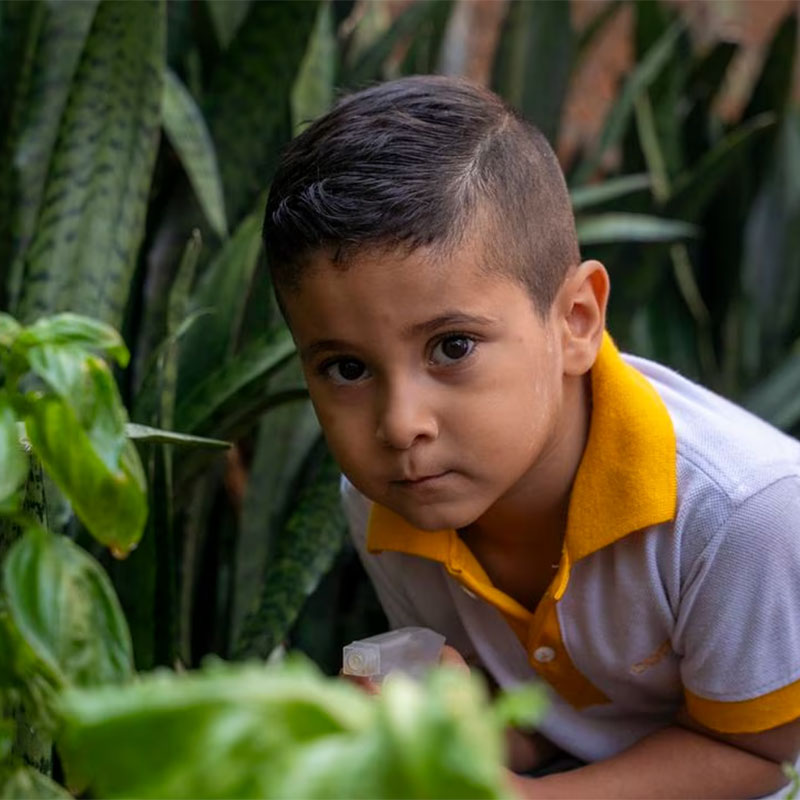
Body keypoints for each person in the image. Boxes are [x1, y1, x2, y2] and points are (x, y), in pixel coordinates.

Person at [261, 75, 800, 798]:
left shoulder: (742, 515)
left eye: (452, 347)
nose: (399, 424)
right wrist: (431, 716)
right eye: (347, 367)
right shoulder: (389, 497)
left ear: (576, 319)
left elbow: (763, 758)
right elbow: (537, 717)